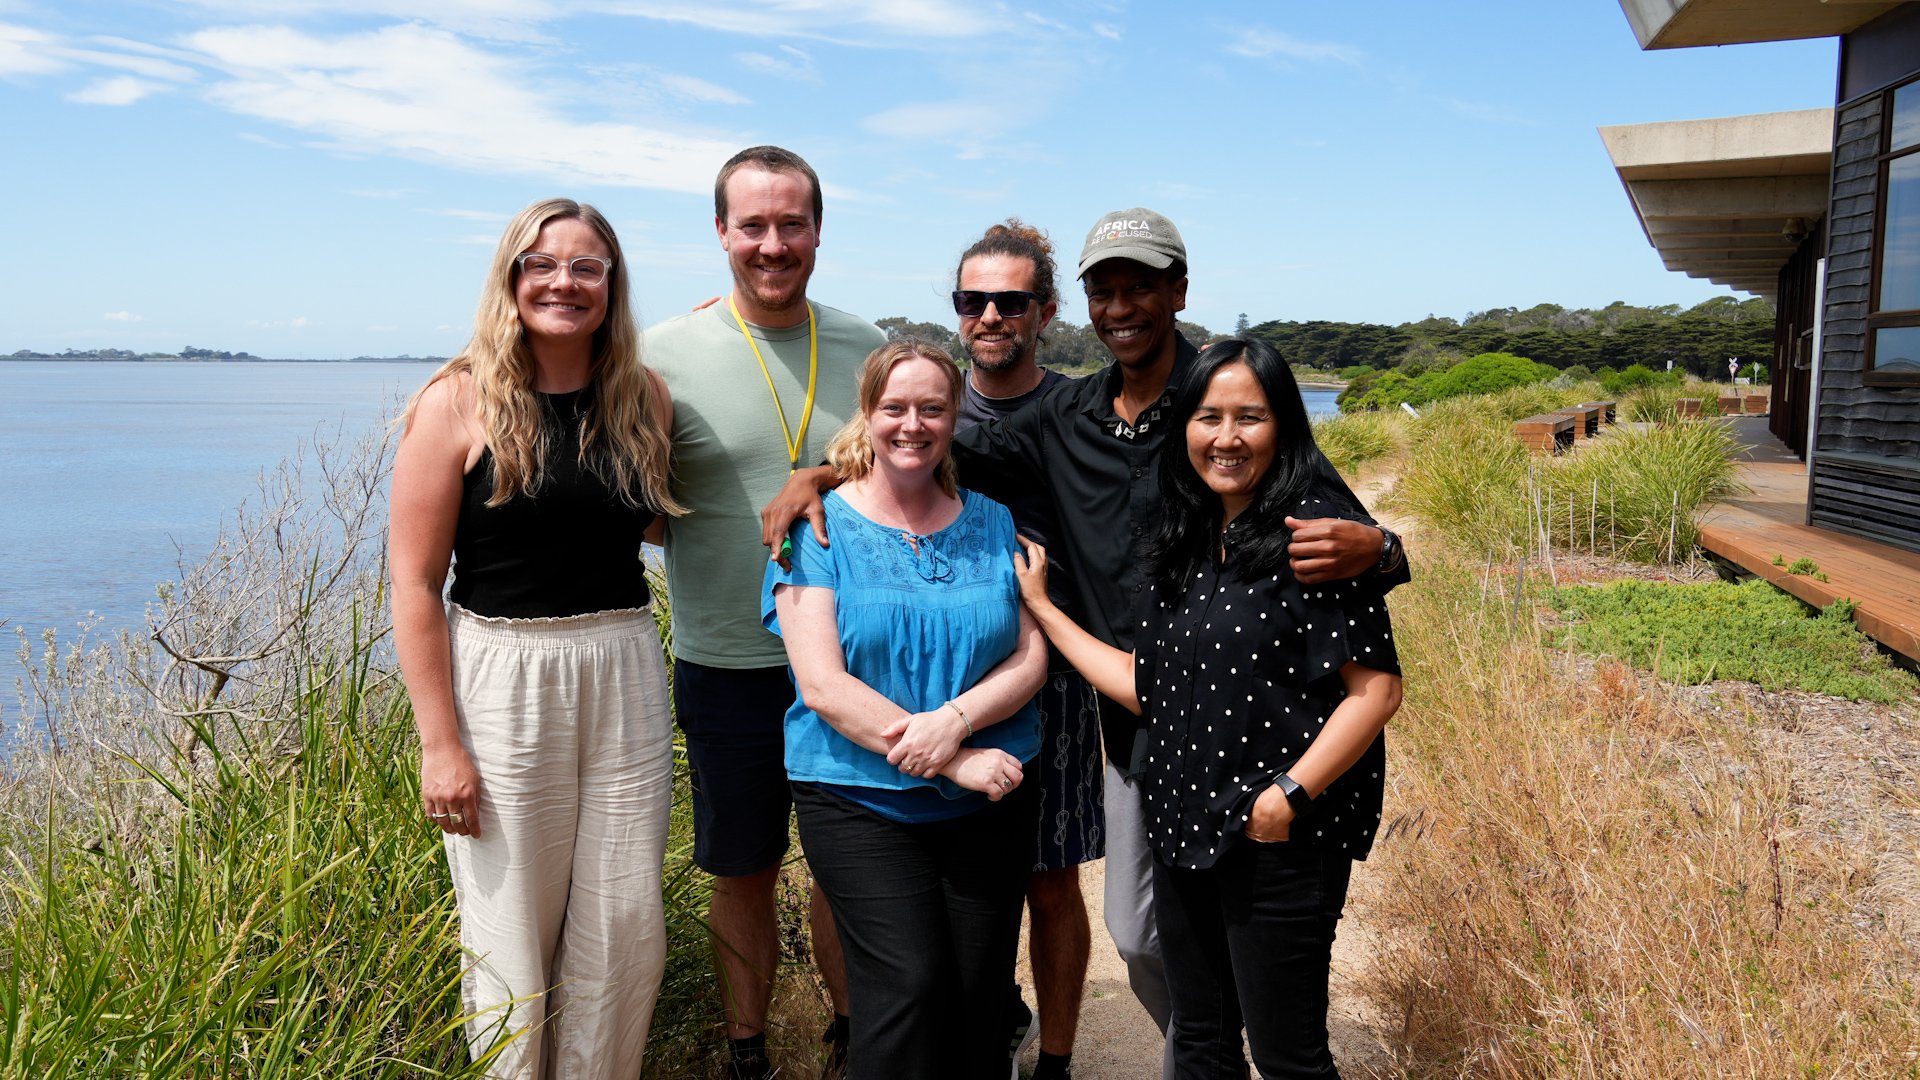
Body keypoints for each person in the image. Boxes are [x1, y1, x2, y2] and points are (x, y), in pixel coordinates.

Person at [1013, 337, 1403, 1078]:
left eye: (1249, 417)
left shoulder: (1314, 531)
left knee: (1288, 1053)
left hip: (1280, 837)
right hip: (1183, 819)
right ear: (1183, 426)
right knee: (1199, 1034)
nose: (1226, 437)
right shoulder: (1187, 530)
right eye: (1207, 416)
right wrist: (1044, 610)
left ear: (1283, 425)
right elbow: (1144, 685)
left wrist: (1289, 794)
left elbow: (1376, 690)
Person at [390, 197, 683, 1078]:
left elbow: (655, 527)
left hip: (626, 664)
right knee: (509, 937)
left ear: (611, 284)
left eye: (586, 266)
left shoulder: (644, 398)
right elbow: (412, 583)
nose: (563, 281)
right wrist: (440, 744)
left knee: (625, 927)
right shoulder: (457, 402)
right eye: (542, 264)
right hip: (501, 675)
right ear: (511, 277)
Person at [645, 145, 878, 1080]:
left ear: (819, 230)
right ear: (721, 233)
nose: (773, 245)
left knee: (846, 869)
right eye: (754, 225)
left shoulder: (868, 347)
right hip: (725, 660)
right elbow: (639, 504)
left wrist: (822, 475)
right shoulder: (662, 353)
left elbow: (915, 474)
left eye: (793, 224)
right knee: (739, 870)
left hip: (857, 666)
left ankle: (853, 1039)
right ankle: (748, 1051)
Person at [764, 338, 1047, 1080]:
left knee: (978, 996)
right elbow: (822, 685)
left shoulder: (991, 521)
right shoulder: (816, 529)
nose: (912, 424)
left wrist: (955, 723)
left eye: (932, 408)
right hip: (859, 798)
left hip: (991, 798)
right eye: (894, 408)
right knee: (908, 986)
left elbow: (1030, 656)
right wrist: (953, 759)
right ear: (867, 415)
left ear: (955, 418)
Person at [951, 220, 1097, 1080]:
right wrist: (811, 478)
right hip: (955, 670)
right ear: (959, 310)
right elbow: (869, 457)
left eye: (1012, 301)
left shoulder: (1082, 406)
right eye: (976, 300)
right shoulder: (937, 404)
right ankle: (984, 1027)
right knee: (963, 878)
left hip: (1064, 675)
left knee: (1049, 878)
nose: (993, 315)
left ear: (1046, 311)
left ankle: (1057, 1057)